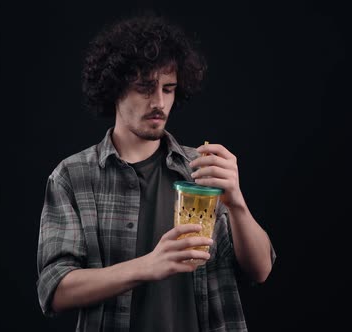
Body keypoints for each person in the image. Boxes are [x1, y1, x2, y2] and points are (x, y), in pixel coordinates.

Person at [36, 12, 276, 332]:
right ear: (114, 88)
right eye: (144, 88)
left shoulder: (203, 169)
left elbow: (261, 270)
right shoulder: (73, 176)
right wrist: (148, 266)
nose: (159, 103)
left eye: (169, 88)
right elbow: (54, 289)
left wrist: (236, 203)